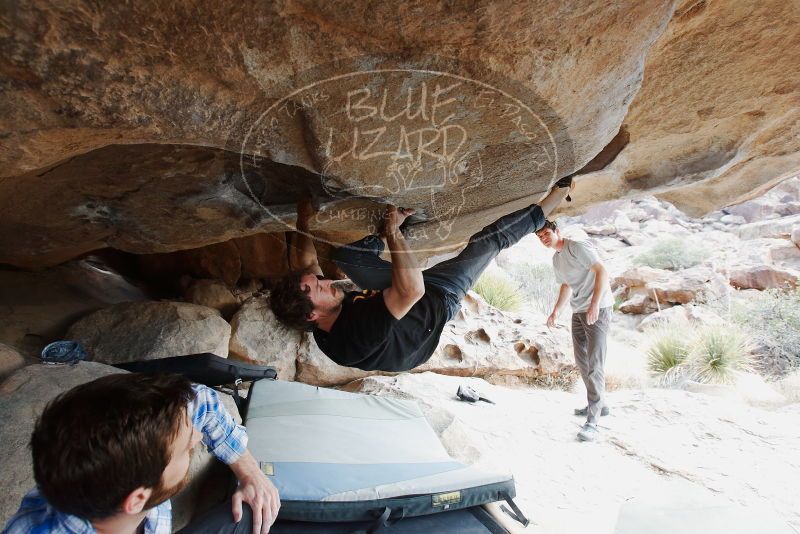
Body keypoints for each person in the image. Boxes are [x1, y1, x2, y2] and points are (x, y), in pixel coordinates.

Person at [269, 180, 573, 372]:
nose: (325, 281)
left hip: (396, 306)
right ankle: (549, 205)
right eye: (317, 288)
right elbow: (413, 290)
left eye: (317, 280)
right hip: (434, 303)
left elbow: (307, 262)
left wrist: (302, 219)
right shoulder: (356, 336)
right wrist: (391, 231)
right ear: (311, 316)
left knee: (345, 258)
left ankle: (398, 233)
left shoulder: (320, 309)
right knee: (488, 240)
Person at [3, 373, 280, 534]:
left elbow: (201, 401)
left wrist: (250, 472)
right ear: (137, 499)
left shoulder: (122, 477)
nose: (196, 436)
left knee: (251, 515)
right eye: (186, 448)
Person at [535, 219, 613, 442]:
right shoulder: (557, 258)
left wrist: (595, 303)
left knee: (595, 364)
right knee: (582, 362)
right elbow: (566, 285)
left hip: (598, 309)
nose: (544, 238)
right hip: (578, 310)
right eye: (540, 237)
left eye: (546, 233)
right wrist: (555, 312)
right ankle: (599, 404)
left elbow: (602, 270)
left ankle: (593, 420)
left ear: (557, 231)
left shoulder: (576, 246)